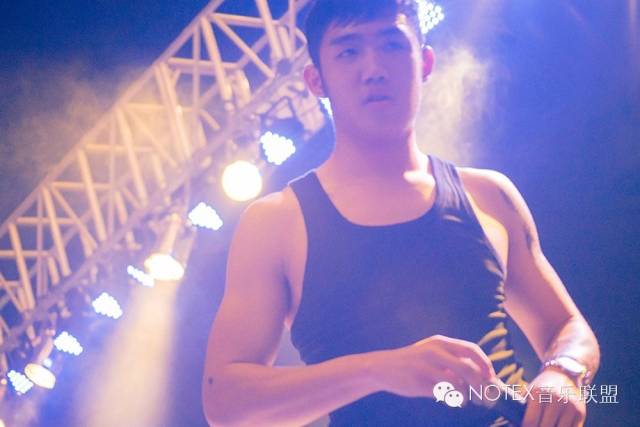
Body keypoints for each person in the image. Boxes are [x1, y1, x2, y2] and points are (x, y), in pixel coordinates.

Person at [201, 0, 600, 426]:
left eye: (391, 44)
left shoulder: (488, 195)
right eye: (348, 51)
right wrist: (378, 370)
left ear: (425, 62)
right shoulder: (276, 222)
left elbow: (567, 327)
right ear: (316, 80)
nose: (373, 69)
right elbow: (226, 403)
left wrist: (563, 371)